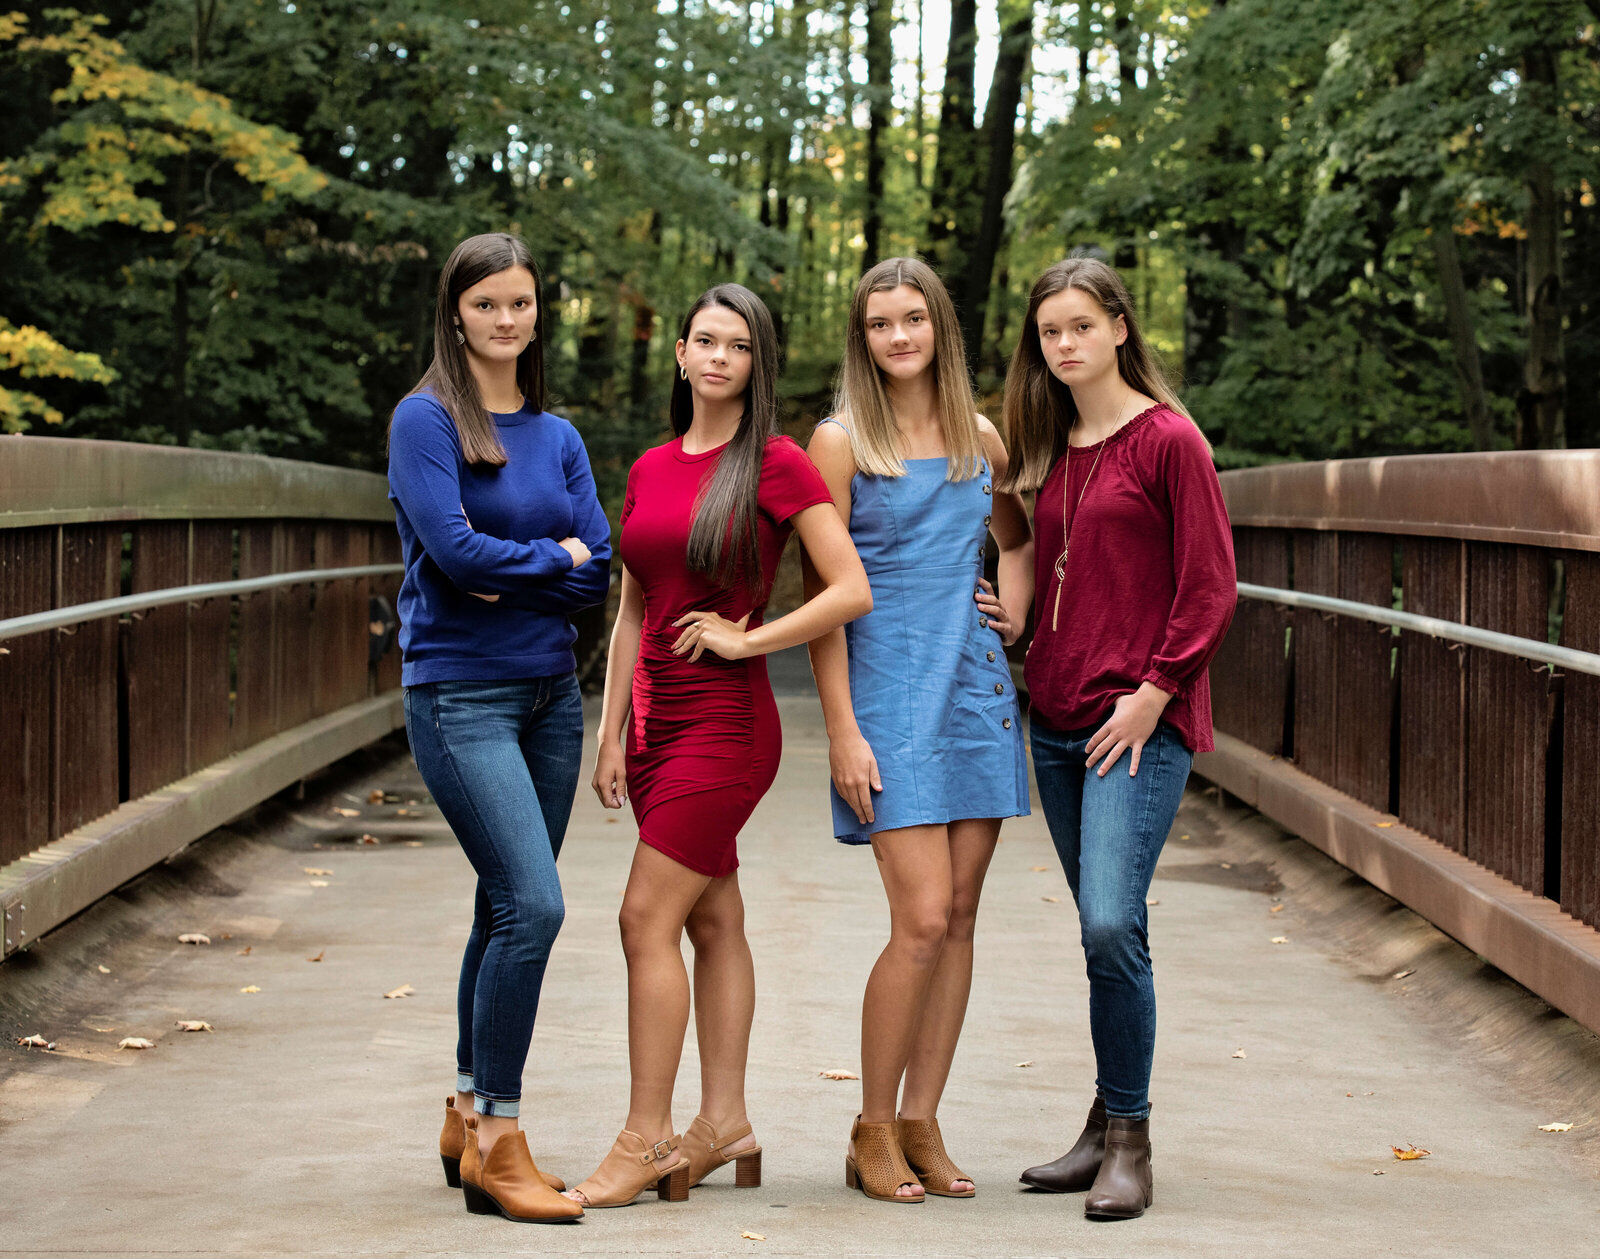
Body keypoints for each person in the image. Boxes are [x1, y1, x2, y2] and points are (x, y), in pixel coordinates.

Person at [565, 284, 872, 1208]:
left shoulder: (774, 463)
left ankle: (646, 1136)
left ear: (756, 363)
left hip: (728, 729)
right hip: (656, 726)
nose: (716, 357)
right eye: (703, 339)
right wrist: (611, 729)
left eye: (737, 345)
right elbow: (632, 610)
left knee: (641, 920)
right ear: (681, 352)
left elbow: (848, 587)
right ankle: (725, 1120)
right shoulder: (652, 466)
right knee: (710, 918)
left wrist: (749, 637)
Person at [1001, 255, 1235, 1220]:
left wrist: (1156, 689)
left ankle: (1131, 1136)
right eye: (1050, 331)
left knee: (1107, 920)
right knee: (1112, 928)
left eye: (1081, 327)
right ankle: (1104, 1124)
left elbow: (1212, 585)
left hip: (1136, 723)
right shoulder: (1052, 442)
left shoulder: (1170, 440)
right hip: (1055, 720)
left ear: (1120, 328)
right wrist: (1006, 616)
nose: (1064, 344)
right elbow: (1037, 558)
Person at [387, 232, 611, 1224]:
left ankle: (469, 1111)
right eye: (487, 305)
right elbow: (448, 551)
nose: (506, 319)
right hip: (459, 693)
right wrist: (546, 560)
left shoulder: (557, 435)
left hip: (550, 695)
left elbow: (598, 565)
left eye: (520, 303)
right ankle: (502, 1138)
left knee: (502, 903)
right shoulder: (425, 419)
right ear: (457, 313)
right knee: (537, 902)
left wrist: (518, 568)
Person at [804, 257, 1033, 1204]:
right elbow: (823, 600)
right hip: (888, 696)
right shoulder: (840, 442)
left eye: (913, 321)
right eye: (878, 324)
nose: (898, 338)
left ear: (940, 326)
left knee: (965, 915)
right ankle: (870, 1126)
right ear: (861, 338)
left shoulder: (982, 437)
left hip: (976, 689)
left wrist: (1011, 608)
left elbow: (1016, 538)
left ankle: (922, 1120)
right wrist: (842, 732)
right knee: (923, 918)